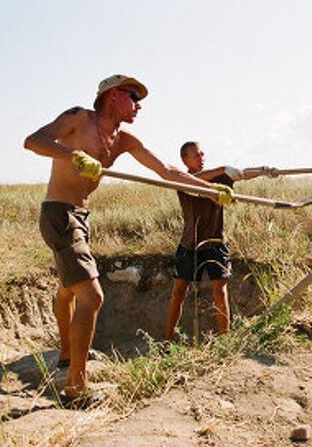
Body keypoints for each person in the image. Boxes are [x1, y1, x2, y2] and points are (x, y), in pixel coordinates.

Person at [24, 74, 233, 401]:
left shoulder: (124, 140)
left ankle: (67, 354)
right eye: (134, 97)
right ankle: (75, 386)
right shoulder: (79, 119)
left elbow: (167, 171)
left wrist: (212, 190)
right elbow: (33, 140)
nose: (138, 106)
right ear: (112, 96)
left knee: (68, 289)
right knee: (92, 298)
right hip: (59, 213)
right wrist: (74, 156)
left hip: (80, 215)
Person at [165, 141, 277, 341]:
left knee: (219, 290)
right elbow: (193, 180)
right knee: (179, 291)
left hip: (216, 243)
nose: (201, 158)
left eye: (202, 154)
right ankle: (167, 339)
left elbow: (241, 174)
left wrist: (263, 170)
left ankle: (225, 340)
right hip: (190, 245)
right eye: (196, 155)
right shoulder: (181, 180)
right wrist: (222, 168)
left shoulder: (219, 178)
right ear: (185, 160)